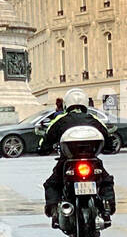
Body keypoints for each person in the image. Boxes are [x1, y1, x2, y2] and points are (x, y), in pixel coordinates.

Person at [42, 89, 117, 226]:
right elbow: (109, 139)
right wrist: (109, 147)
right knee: (105, 180)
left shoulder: (60, 119)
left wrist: (42, 147)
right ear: (85, 104)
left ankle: (54, 211)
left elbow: (46, 139)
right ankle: (107, 206)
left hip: (67, 160)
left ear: (67, 105)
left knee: (52, 183)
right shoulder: (94, 119)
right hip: (92, 160)